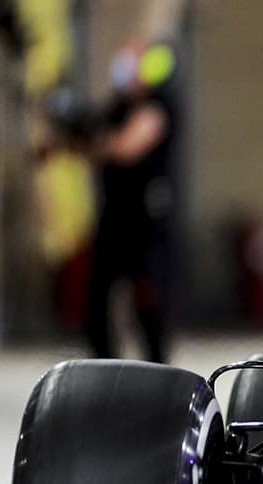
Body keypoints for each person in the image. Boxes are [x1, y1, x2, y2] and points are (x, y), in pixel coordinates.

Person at [85, 41, 178, 362]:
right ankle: (103, 366)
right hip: (113, 218)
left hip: (146, 224)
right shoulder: (116, 107)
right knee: (96, 302)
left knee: (148, 304)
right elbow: (92, 140)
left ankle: (158, 369)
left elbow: (126, 147)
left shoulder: (159, 105)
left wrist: (95, 142)